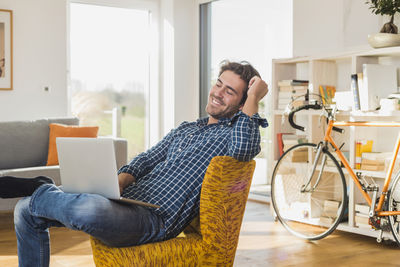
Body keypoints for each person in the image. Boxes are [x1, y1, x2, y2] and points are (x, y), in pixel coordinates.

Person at [1, 60, 268, 267]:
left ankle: (46, 188)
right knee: (24, 209)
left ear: (243, 102)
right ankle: (47, 190)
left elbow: (244, 150)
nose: (218, 93)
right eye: (218, 83)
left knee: (90, 210)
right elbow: (146, 158)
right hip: (124, 202)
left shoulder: (234, 136)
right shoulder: (187, 128)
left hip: (154, 219)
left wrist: (255, 97)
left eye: (230, 91)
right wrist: (120, 180)